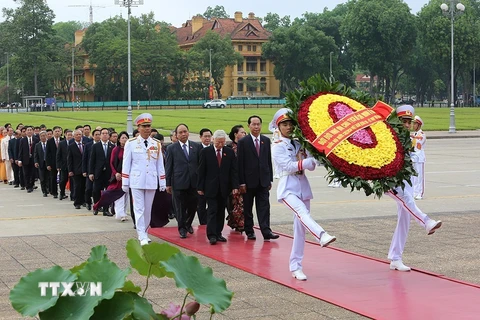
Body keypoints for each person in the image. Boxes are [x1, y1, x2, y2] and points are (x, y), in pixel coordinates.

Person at [270, 108, 336, 281]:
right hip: (288, 187)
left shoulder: (299, 143)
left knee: (300, 229)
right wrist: (308, 161)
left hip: (303, 186)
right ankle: (321, 235)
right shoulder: (277, 146)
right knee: (301, 212)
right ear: (278, 127)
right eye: (285, 124)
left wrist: (316, 155)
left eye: (291, 123)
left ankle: (296, 266)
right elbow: (288, 166)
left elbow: (312, 166)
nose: (289, 127)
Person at [387, 105, 442, 272]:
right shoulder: (390, 136)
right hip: (390, 181)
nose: (407, 125)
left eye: (409, 122)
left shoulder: (408, 138)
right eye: (403, 121)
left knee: (405, 217)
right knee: (407, 201)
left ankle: (396, 258)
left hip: (405, 180)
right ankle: (426, 221)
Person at [122, 113, 166, 246]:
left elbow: (160, 164)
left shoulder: (156, 144)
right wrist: (125, 182)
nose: (147, 129)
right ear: (138, 128)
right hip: (136, 180)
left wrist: (162, 181)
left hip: (151, 180)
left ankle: (145, 232)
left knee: (148, 209)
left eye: (149, 126)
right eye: (144, 126)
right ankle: (141, 235)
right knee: (139, 208)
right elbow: (126, 163)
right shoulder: (131, 143)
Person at [237, 115, 279, 241]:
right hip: (248, 182)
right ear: (249, 126)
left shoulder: (266, 140)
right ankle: (249, 231)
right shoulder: (243, 142)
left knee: (264, 207)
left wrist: (270, 178)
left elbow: (268, 161)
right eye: (253, 124)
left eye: (258, 124)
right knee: (248, 208)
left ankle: (266, 231)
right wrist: (241, 182)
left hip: (263, 181)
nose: (256, 127)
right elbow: (240, 163)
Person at [197, 130, 239, 245]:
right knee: (212, 211)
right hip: (210, 187)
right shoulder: (205, 152)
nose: (220, 145)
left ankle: (218, 233)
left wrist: (235, 186)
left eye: (222, 142)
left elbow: (233, 171)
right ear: (213, 140)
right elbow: (201, 171)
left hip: (224, 188)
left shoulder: (229, 152)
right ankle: (211, 235)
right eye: (218, 142)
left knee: (221, 211)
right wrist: (200, 187)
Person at [165, 123, 202, 239]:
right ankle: (182, 228)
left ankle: (187, 223)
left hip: (194, 182)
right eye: (180, 132)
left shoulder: (196, 146)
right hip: (178, 182)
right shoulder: (171, 148)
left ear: (188, 132)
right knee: (179, 208)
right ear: (176, 135)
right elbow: (169, 167)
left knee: (193, 206)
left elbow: (200, 165)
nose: (183, 134)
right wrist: (168, 183)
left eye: (185, 131)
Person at [89, 128, 115, 216]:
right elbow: (92, 160)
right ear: (100, 135)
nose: (104, 135)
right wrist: (91, 172)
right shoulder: (95, 146)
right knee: (96, 191)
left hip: (108, 173)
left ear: (108, 135)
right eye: (103, 133)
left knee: (107, 192)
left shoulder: (112, 146)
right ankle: (96, 207)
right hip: (98, 172)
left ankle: (106, 209)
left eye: (106, 133)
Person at [226, 124, 247, 232]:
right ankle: (237, 223)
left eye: (245, 132)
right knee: (234, 203)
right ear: (235, 134)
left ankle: (242, 223)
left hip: (245, 180)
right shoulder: (229, 148)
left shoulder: (246, 146)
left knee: (243, 203)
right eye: (242, 132)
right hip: (233, 180)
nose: (244, 134)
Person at [109, 131, 129, 221]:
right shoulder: (116, 150)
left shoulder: (130, 149)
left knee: (126, 195)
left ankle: (124, 212)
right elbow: (112, 163)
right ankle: (119, 213)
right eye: (123, 138)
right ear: (119, 140)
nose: (124, 140)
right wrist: (115, 173)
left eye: (126, 138)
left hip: (128, 175)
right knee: (119, 195)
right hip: (119, 176)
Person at [196, 128, 213, 226]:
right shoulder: (197, 149)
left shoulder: (214, 148)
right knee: (201, 205)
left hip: (212, 182)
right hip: (201, 182)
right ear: (200, 137)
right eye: (205, 136)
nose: (207, 138)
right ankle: (203, 223)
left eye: (209, 136)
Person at [68, 130, 86, 209]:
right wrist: (70, 170)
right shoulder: (71, 146)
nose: (78, 136)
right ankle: (77, 202)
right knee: (77, 186)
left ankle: (83, 201)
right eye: (77, 135)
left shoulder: (85, 144)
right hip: (75, 170)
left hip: (84, 169)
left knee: (84, 186)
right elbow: (69, 159)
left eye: (80, 134)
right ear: (74, 136)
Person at [17, 125, 39, 193]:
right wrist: (19, 160)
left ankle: (32, 184)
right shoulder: (22, 140)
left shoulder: (36, 139)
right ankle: (28, 186)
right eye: (28, 130)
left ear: (32, 131)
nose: (29, 131)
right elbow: (20, 150)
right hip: (25, 159)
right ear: (26, 132)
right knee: (26, 173)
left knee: (33, 173)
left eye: (30, 130)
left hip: (33, 159)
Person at [411, 115, 426, 200]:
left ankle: (420, 193)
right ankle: (414, 192)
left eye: (415, 124)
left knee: (419, 176)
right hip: (413, 158)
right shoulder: (414, 134)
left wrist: (413, 137)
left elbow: (419, 141)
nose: (413, 125)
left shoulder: (422, 134)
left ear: (419, 125)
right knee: (413, 176)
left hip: (419, 158)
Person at [56, 130, 73, 200]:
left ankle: (73, 195)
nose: (69, 136)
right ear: (65, 135)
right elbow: (58, 155)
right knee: (63, 180)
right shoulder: (62, 143)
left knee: (73, 181)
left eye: (71, 135)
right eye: (68, 135)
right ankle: (62, 192)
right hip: (64, 165)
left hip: (72, 165)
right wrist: (58, 166)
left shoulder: (74, 143)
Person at [45, 126, 62, 198]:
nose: (57, 133)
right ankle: (54, 192)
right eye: (56, 131)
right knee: (53, 177)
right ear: (53, 132)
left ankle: (62, 192)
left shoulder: (63, 140)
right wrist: (48, 164)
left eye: (58, 131)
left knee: (62, 178)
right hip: (53, 162)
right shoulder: (49, 141)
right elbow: (47, 153)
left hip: (62, 162)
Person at [33, 131, 49, 197]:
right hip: (41, 164)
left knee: (48, 177)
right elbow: (35, 154)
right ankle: (44, 191)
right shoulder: (37, 145)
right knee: (42, 178)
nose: (43, 137)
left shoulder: (49, 144)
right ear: (39, 137)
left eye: (44, 136)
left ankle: (48, 188)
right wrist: (36, 162)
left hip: (48, 164)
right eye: (41, 136)